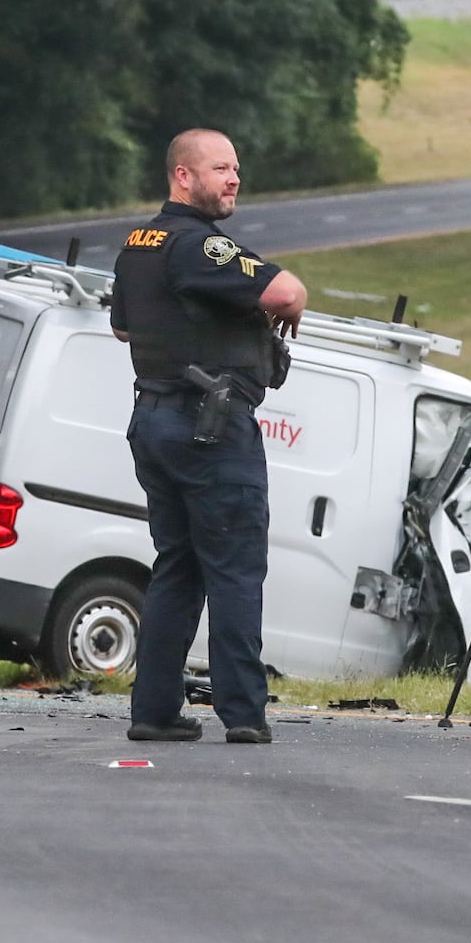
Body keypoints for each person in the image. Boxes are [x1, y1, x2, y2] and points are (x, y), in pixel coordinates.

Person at [111, 128, 306, 743]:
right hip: (210, 427)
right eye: (221, 168)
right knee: (236, 568)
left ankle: (156, 709)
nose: (234, 179)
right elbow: (287, 290)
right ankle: (244, 714)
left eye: (236, 169)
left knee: (178, 566)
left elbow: (123, 330)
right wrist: (282, 310)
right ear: (183, 176)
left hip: (155, 418)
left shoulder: (138, 245)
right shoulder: (198, 246)